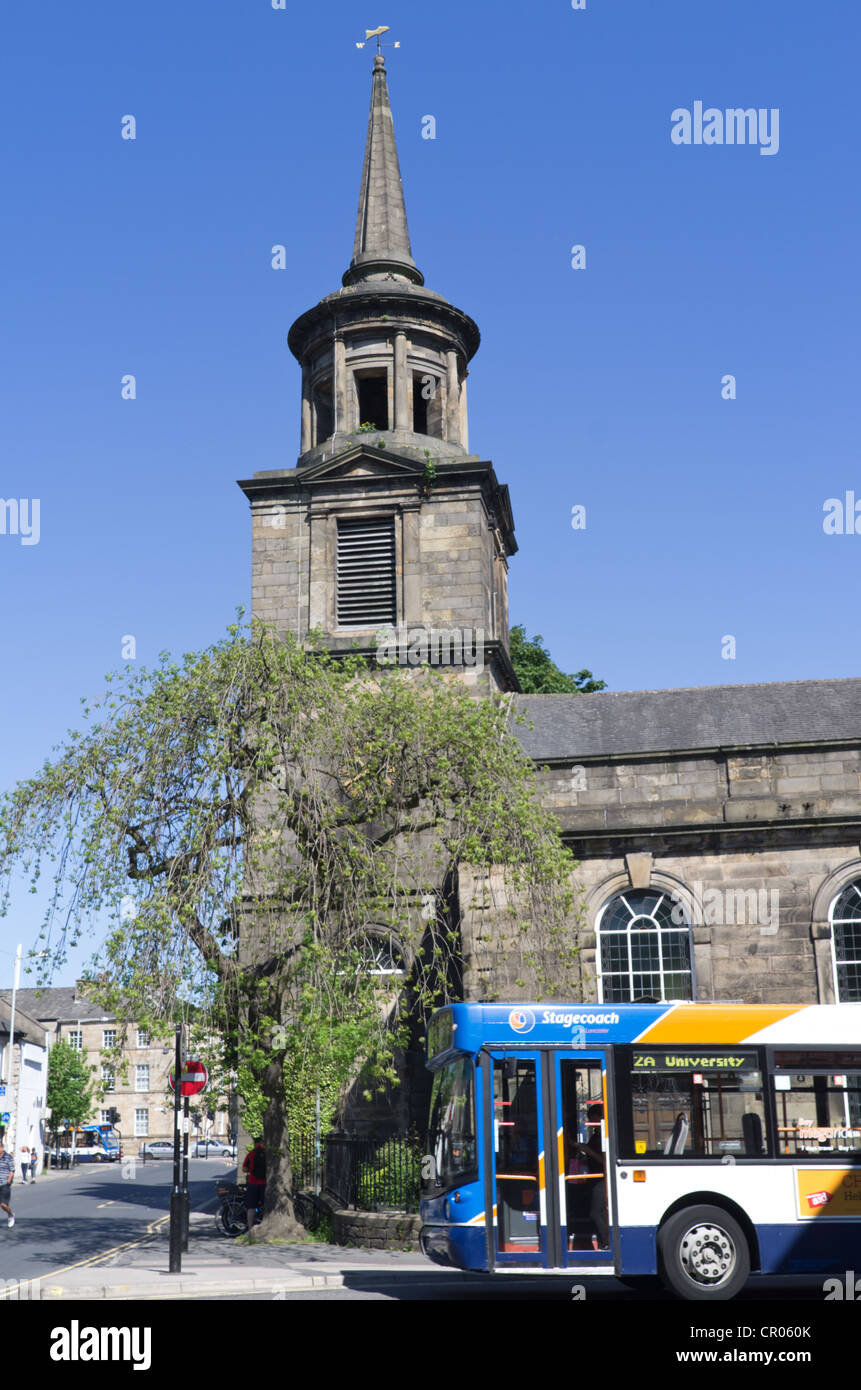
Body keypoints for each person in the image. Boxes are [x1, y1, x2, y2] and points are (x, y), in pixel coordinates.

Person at [242, 1136, 266, 1231]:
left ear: (255, 1144)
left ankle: (250, 1227)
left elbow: (244, 1169)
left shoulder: (251, 1154)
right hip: (264, 1183)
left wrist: (250, 1169)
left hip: (253, 1183)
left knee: (251, 1207)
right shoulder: (268, 1154)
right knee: (265, 1206)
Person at [0, 1143, 15, 1227]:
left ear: (1, 1147)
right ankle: (10, 1213)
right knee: (3, 1205)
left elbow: (12, 1170)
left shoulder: (8, 1157)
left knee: (3, 1204)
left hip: (5, 1183)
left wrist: (9, 1181)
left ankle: (11, 1215)